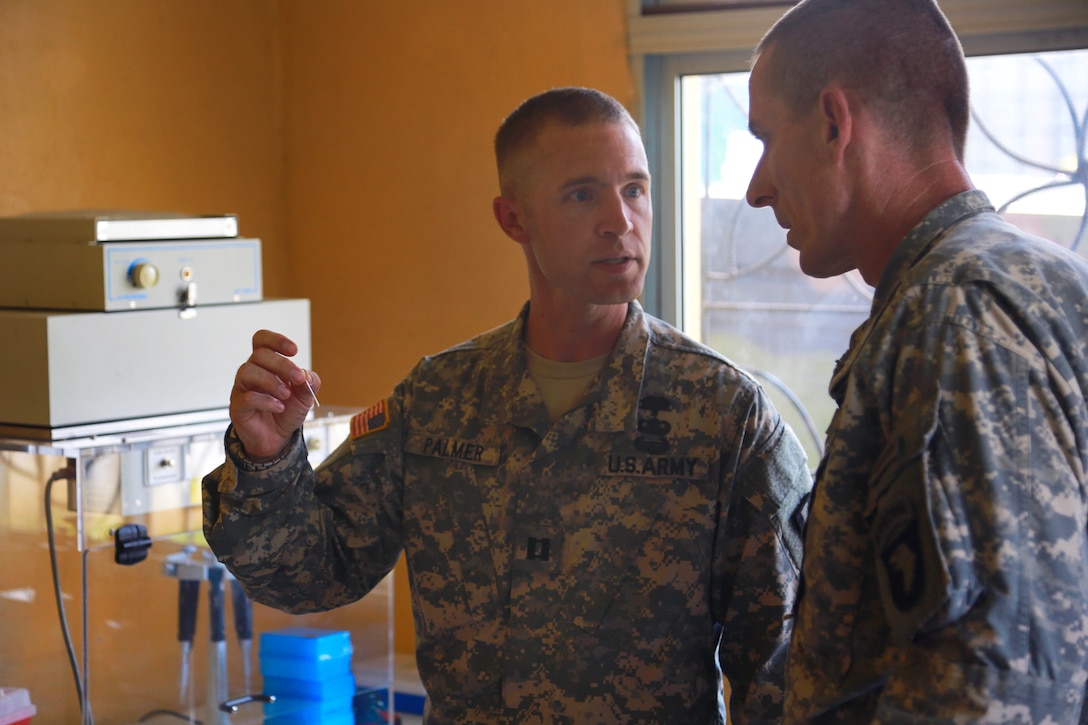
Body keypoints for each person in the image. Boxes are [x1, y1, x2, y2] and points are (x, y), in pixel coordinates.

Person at [203, 87, 812, 723]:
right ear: (513, 220)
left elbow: (786, 671)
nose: (620, 220)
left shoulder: (722, 415)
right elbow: (310, 575)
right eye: (583, 195)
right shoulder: (439, 400)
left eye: (635, 188)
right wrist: (266, 460)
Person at [744, 0, 1088, 721]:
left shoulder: (957, 309)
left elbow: (993, 690)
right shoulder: (1005, 283)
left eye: (768, 137)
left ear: (836, 123)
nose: (756, 187)